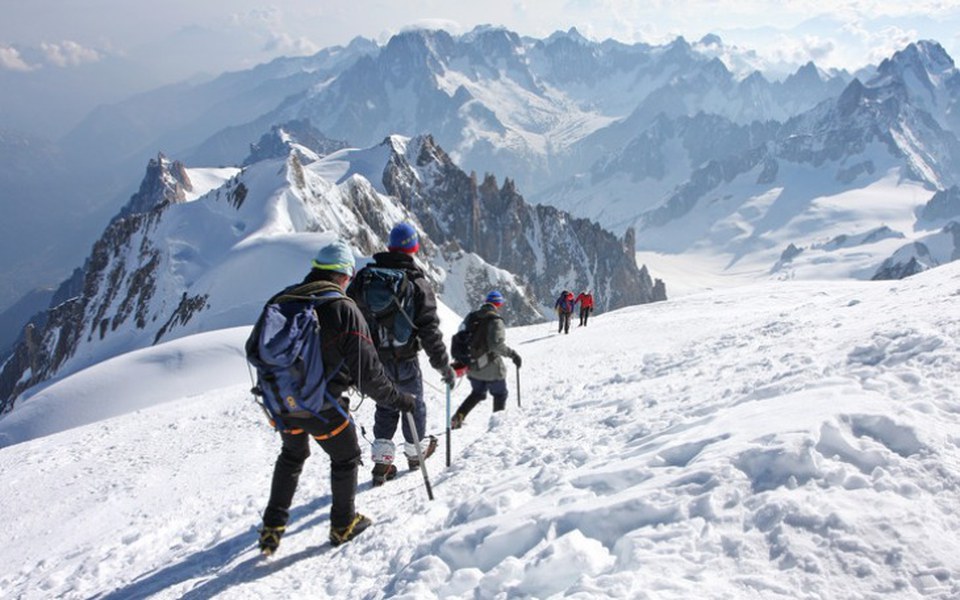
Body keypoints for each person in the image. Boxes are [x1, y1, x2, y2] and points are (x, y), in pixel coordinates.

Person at [256, 239, 416, 555]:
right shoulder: (343, 309)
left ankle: (271, 529)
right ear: (345, 276)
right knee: (345, 456)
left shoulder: (282, 299)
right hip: (322, 408)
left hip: (282, 403)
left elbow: (255, 349)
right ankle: (343, 525)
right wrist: (401, 400)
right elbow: (370, 376)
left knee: (292, 456)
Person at [347, 222, 457, 486]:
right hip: (405, 359)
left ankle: (382, 463)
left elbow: (349, 318)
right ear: (414, 248)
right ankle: (415, 455)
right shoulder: (417, 282)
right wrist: (443, 366)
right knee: (412, 405)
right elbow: (429, 330)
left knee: (385, 405)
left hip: (374, 361)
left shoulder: (365, 278)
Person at [450, 290, 521, 429]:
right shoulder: (495, 320)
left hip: (472, 366)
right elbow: (496, 345)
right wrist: (513, 355)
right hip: (491, 368)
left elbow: (461, 336)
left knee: (477, 393)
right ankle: (497, 426)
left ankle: (458, 417)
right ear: (499, 304)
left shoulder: (471, 317)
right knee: (500, 394)